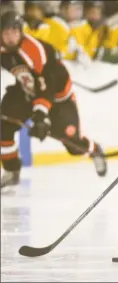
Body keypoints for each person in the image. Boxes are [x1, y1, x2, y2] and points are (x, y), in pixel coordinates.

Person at [0, 11, 107, 192]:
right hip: (27, 91)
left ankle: (94, 148)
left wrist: (41, 116)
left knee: (72, 142)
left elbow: (47, 87)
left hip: (58, 98)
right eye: (6, 33)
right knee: (3, 125)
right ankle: (12, 172)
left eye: (14, 32)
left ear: (21, 32)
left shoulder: (35, 51)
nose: (10, 37)